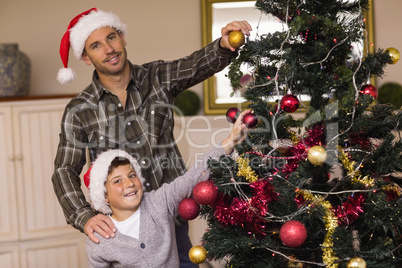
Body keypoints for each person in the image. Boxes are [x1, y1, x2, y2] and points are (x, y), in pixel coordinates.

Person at [51, 7, 252, 267]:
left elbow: (195, 65)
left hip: (170, 215)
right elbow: (64, 170)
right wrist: (84, 216)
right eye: (96, 46)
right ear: (86, 57)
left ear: (122, 38)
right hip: (121, 226)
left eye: (111, 38)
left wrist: (224, 46)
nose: (109, 49)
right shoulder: (79, 110)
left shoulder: (157, 77)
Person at [84, 111, 248, 267]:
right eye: (117, 181)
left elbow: (192, 178)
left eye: (132, 175)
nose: (129, 183)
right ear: (104, 195)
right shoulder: (99, 238)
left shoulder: (159, 202)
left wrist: (229, 142)